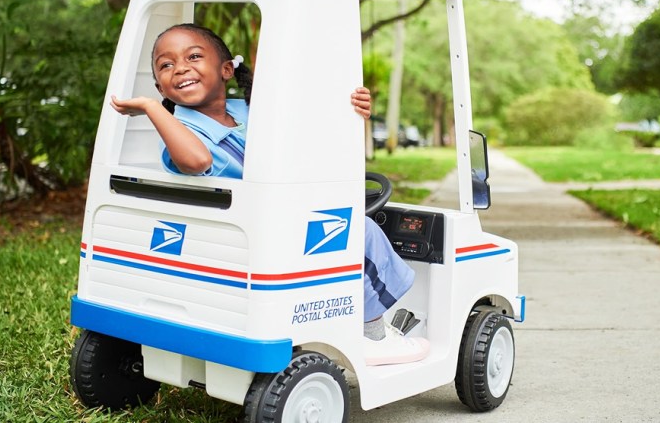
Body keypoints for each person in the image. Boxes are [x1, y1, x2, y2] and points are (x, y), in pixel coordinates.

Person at [111, 23, 428, 366]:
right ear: (160, 85)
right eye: (166, 65)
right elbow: (198, 159)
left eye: (194, 56)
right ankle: (373, 335)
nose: (181, 68)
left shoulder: (251, 110)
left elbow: (306, 137)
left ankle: (346, 321)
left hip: (278, 222)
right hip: (240, 238)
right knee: (359, 232)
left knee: (345, 228)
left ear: (227, 69)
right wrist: (150, 106)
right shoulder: (179, 132)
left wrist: (354, 111)